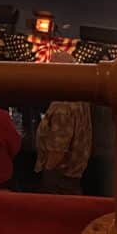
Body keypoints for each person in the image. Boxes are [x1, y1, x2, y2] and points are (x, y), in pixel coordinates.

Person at [36, 51, 92, 195]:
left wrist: (47, 171)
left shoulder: (62, 105)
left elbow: (58, 150)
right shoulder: (81, 98)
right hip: (74, 176)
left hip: (59, 178)